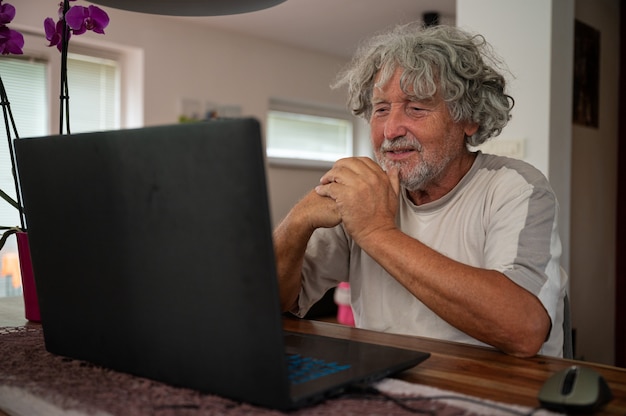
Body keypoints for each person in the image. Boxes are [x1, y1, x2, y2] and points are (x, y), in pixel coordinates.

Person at [273, 23, 565, 358]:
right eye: (381, 109)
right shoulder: (365, 192)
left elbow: (523, 330)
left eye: (417, 108)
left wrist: (376, 232)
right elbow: (275, 300)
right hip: (384, 381)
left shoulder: (515, 187)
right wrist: (297, 222)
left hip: (494, 391)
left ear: (468, 119)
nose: (391, 129)